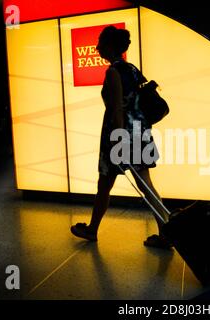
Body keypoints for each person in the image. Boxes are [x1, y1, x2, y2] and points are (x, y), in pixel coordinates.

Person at [71, 26, 172, 249]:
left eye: (100, 43)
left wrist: (117, 141)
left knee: (105, 182)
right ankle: (166, 231)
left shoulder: (113, 72)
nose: (97, 47)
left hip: (120, 134)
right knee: (145, 183)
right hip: (140, 130)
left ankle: (92, 230)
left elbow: (116, 109)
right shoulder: (133, 69)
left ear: (109, 46)